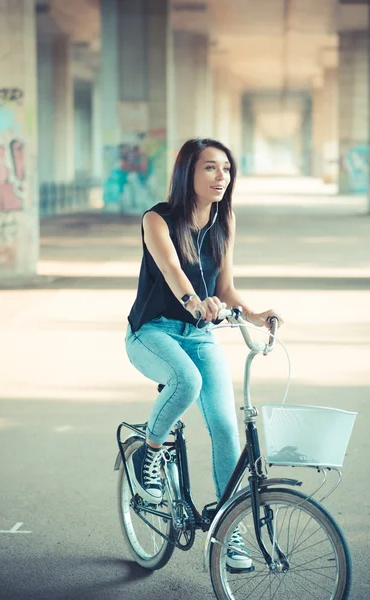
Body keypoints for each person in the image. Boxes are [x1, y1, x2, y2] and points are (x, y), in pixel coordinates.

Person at [125, 138, 283, 571]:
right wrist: (197, 304)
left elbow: (226, 290)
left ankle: (229, 534)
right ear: (187, 174)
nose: (221, 178)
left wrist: (254, 314)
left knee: (225, 427)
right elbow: (175, 274)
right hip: (151, 332)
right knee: (187, 382)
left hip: (199, 337)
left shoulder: (224, 223)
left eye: (227, 170)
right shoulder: (156, 219)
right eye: (211, 168)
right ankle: (148, 453)